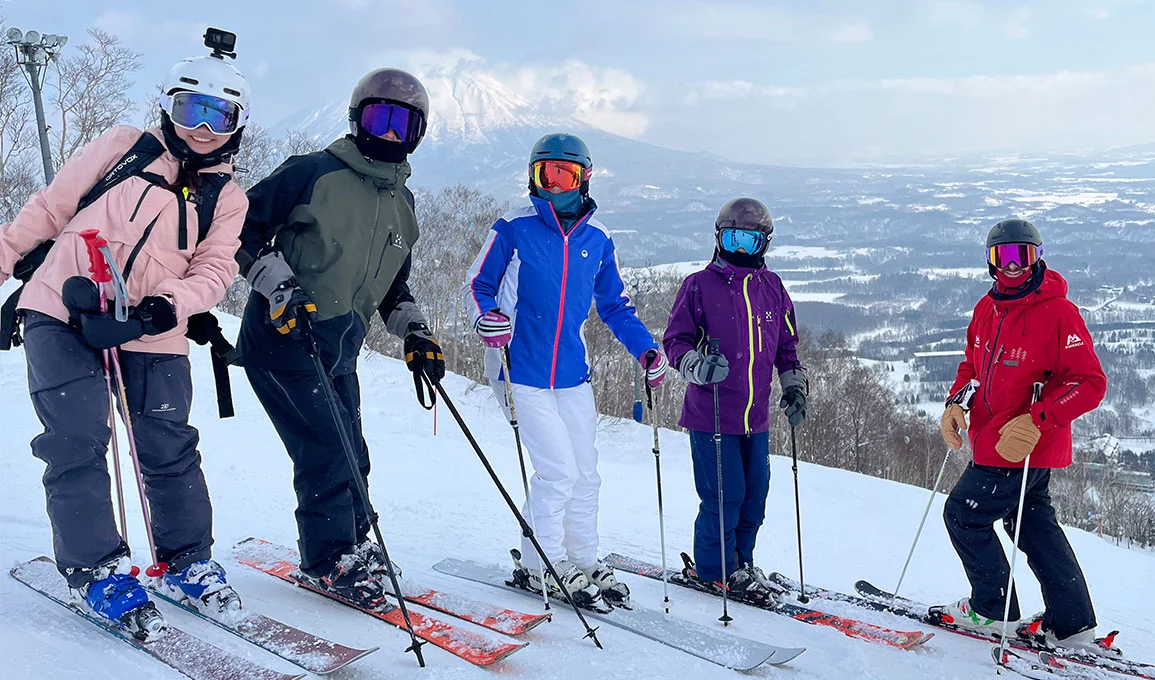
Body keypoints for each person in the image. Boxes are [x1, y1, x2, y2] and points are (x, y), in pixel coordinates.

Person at [0, 46, 251, 634]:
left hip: (151, 328)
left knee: (166, 444)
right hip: (63, 309)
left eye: (221, 116)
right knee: (78, 437)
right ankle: (98, 568)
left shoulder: (228, 198)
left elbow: (215, 270)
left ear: (238, 124)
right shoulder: (122, 147)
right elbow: (48, 210)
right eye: (192, 110)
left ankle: (187, 562)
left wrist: (167, 307)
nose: (204, 129)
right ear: (168, 106)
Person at [237, 68, 443, 610]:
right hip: (284, 339)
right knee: (327, 450)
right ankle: (328, 561)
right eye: (381, 118)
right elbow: (239, 226)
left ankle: (352, 546)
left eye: (405, 123)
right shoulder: (313, 173)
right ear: (357, 119)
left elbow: (393, 284)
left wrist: (415, 333)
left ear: (419, 132)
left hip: (339, 347)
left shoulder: (404, 204)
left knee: (353, 451)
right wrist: (277, 285)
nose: (391, 134)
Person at [464, 132, 665, 607]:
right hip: (519, 369)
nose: (553, 186)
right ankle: (542, 564)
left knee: (586, 473)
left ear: (584, 178)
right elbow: (478, 284)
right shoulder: (514, 228)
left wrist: (646, 351)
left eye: (564, 175)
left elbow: (615, 305)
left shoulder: (597, 239)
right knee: (557, 472)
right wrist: (485, 319)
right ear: (533, 177)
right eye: (545, 174)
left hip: (572, 373)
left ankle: (583, 556)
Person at [935, 218, 1107, 650]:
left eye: (1022, 256)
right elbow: (972, 367)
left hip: (1025, 445)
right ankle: (1072, 623)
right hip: (993, 438)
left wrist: (1038, 418)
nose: (1012, 266)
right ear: (990, 261)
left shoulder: (1058, 312)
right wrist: (956, 403)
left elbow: (1089, 383)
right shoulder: (986, 308)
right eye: (1003, 256)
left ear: (1037, 257)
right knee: (1031, 524)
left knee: (963, 515)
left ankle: (992, 610)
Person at [661, 197, 805, 607]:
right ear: (719, 237)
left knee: (754, 496)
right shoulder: (699, 285)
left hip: (755, 418)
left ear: (764, 243)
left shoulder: (772, 288)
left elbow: (787, 347)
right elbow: (676, 342)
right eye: (733, 237)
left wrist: (795, 387)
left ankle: (740, 563)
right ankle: (713, 571)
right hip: (712, 415)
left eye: (750, 240)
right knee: (724, 497)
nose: (741, 248)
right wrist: (697, 366)